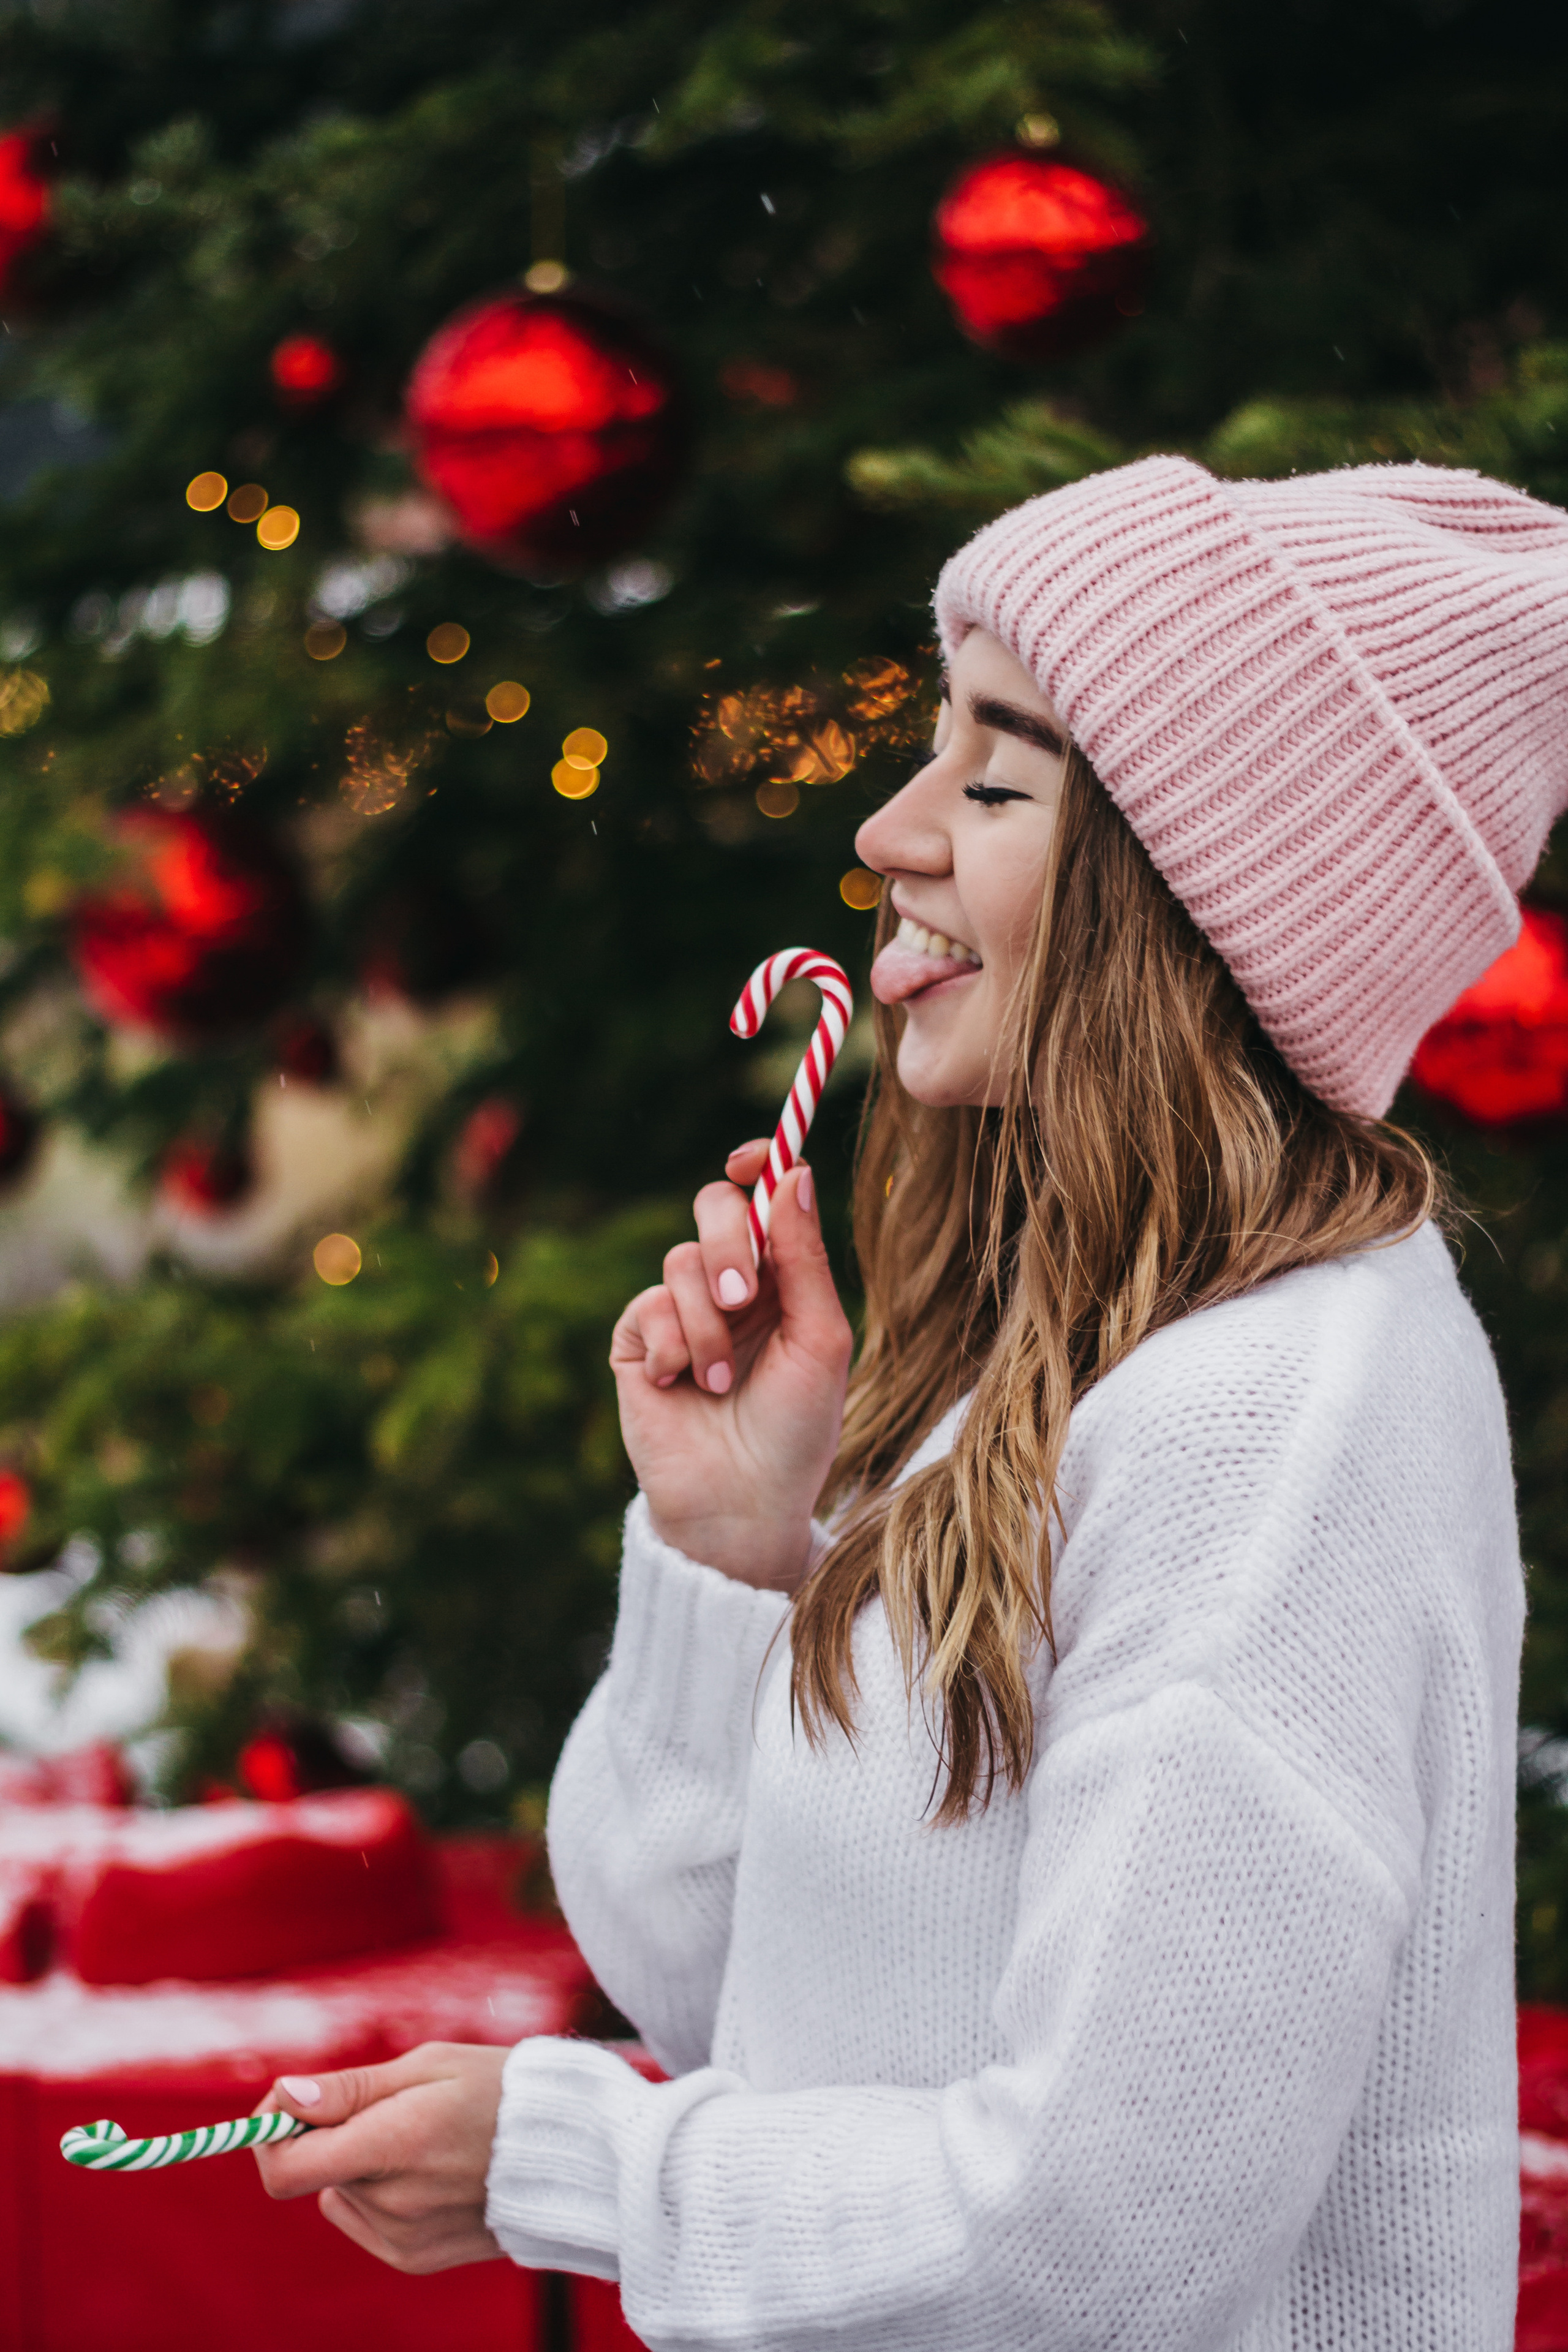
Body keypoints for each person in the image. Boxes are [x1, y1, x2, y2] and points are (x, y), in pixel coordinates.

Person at [252, 454, 1568, 2350]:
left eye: (999, 777)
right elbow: (755, 2015)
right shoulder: (1048, 1357)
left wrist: (592, 2173)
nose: (890, 829)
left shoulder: (1283, 1402)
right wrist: (738, 1554)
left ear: (1194, 890)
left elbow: (1099, 2233)